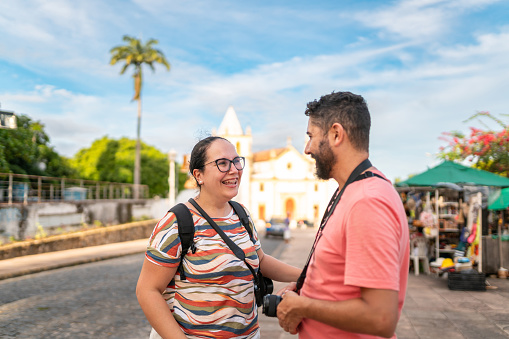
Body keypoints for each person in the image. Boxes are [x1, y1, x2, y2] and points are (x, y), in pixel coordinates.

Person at [136, 136, 301, 339]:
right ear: (199, 175)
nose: (234, 170)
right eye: (222, 163)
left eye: (236, 161)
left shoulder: (242, 214)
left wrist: (305, 276)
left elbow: (261, 260)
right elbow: (147, 290)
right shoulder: (177, 222)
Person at [276, 92, 410, 338]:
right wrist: (307, 289)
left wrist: (303, 305)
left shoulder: (367, 201)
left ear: (336, 134)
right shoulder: (353, 190)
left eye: (311, 136)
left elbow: (380, 317)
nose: (307, 149)